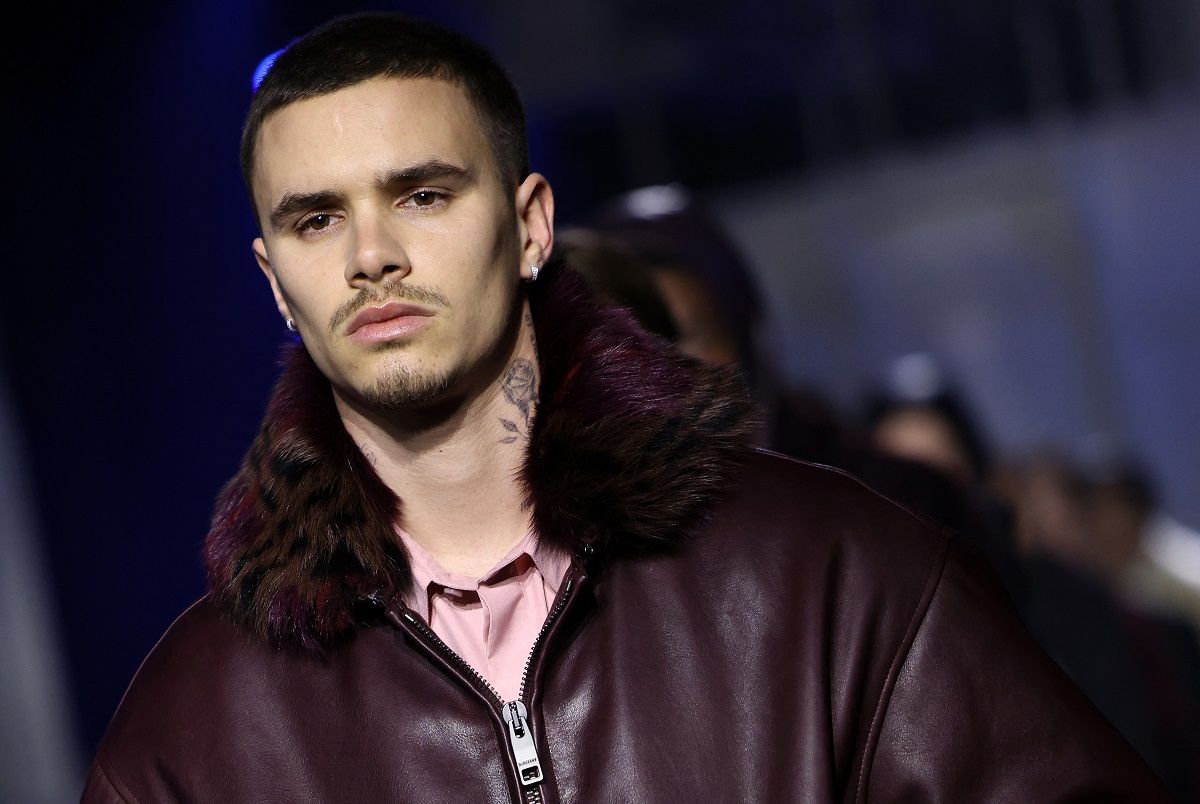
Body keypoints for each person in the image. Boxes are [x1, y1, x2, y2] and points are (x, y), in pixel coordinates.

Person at [82, 12, 1167, 802]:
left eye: (423, 194)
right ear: (274, 281)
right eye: (317, 220)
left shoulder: (825, 573)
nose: (372, 255)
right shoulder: (197, 728)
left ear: (531, 226)